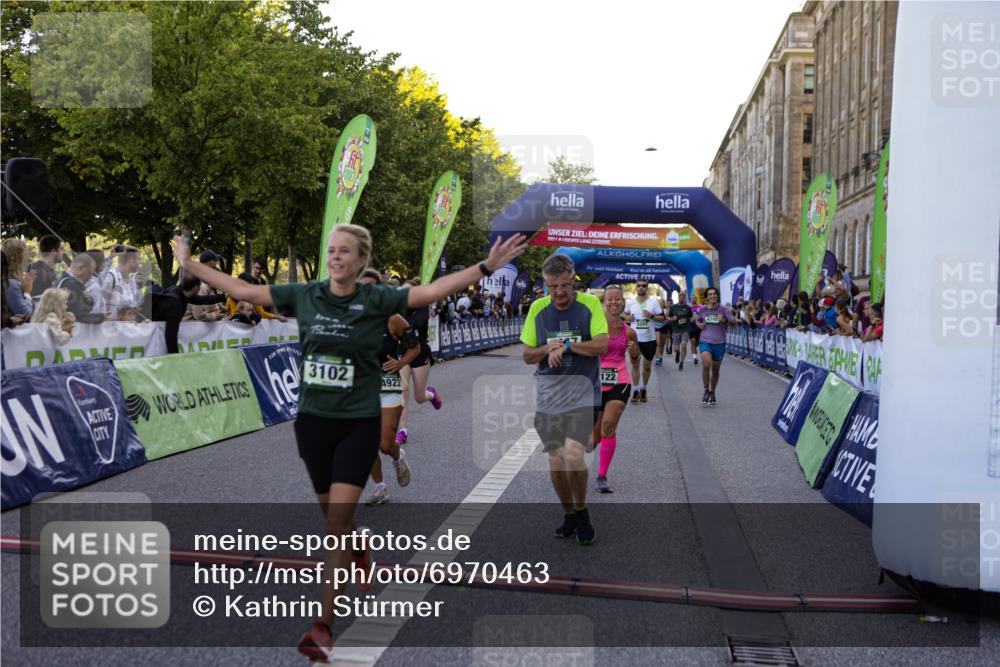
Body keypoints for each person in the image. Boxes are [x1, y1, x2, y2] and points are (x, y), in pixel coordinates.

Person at [171, 225, 526, 661]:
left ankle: (322, 626)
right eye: (332, 251)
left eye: (346, 252)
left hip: (358, 422)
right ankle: (360, 549)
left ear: (361, 261)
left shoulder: (377, 300)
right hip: (315, 424)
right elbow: (244, 288)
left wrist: (486, 267)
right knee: (336, 520)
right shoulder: (307, 295)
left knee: (334, 524)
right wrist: (188, 264)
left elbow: (431, 291)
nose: (337, 258)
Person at [520, 253, 608, 545]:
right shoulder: (537, 309)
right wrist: (548, 348)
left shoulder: (591, 305)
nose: (559, 293)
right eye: (552, 286)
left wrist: (567, 345)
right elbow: (527, 355)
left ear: (574, 282)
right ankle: (569, 514)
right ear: (545, 284)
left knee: (573, 455)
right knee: (556, 460)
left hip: (583, 391)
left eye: (565, 286)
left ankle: (581, 511)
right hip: (550, 395)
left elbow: (601, 345)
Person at [359, 270, 417, 506]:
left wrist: (401, 362)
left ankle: (397, 455)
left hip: (388, 384)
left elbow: (415, 347)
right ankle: (380, 487)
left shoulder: (393, 319)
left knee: (384, 444)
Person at [591, 285, 638, 494]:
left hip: (620, 380)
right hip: (595, 383)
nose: (613, 303)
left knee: (608, 425)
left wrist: (634, 352)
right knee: (594, 439)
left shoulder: (629, 332)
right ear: (603, 303)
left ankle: (602, 475)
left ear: (623, 303)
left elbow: (635, 360)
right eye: (609, 299)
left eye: (617, 299)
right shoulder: (593, 328)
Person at [395, 279, 444, 446]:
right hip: (402, 351)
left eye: (408, 292)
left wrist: (400, 322)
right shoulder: (397, 309)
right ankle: (402, 431)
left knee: (419, 397)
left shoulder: (421, 306)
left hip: (420, 351)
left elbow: (417, 324)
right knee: (403, 389)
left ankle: (430, 395)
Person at [151, 274, 227, 353]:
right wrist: (175, 356)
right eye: (200, 285)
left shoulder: (182, 293)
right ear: (195, 288)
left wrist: (223, 296)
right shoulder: (175, 303)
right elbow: (171, 335)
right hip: (155, 336)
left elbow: (202, 300)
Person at [694, 286, 738, 406]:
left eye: (714, 294)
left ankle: (712, 392)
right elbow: (697, 320)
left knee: (715, 370)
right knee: (706, 364)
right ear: (706, 297)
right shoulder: (703, 310)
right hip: (705, 340)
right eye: (710, 294)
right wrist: (699, 325)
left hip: (719, 342)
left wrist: (724, 320)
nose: (712, 296)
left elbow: (734, 324)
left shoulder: (724, 309)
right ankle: (706, 390)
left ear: (717, 296)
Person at [622, 280, 664, 402]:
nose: (641, 288)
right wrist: (627, 317)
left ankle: (643, 388)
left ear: (647, 288)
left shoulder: (653, 302)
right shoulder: (631, 302)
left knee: (646, 366)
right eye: (639, 286)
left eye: (643, 286)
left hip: (649, 339)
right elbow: (624, 315)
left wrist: (652, 316)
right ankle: (635, 390)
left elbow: (662, 318)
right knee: (635, 365)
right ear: (636, 288)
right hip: (634, 339)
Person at [55, 254, 104, 323]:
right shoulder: (72, 284)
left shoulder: (60, 280)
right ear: (80, 268)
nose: (90, 277)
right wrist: (101, 317)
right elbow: (78, 316)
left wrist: (88, 302)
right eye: (89, 273)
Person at [103, 247, 142, 318]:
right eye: (138, 259)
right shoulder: (111, 278)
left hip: (126, 328)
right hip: (110, 328)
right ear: (131, 260)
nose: (140, 262)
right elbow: (100, 307)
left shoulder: (132, 283)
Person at [2, 238, 35, 319]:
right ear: (18, 260)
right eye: (25, 258)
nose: (26, 262)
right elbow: (27, 315)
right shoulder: (11, 284)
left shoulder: (9, 281)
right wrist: (27, 293)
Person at [666, 291, 694, 370]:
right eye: (680, 295)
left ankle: (681, 363)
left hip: (685, 329)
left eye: (683, 295)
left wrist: (692, 319)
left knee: (684, 344)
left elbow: (691, 316)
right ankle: (677, 353)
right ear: (678, 297)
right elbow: (667, 317)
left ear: (685, 297)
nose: (681, 297)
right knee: (676, 349)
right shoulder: (673, 307)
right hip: (676, 329)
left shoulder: (688, 307)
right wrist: (672, 319)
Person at [653, 292, 672, 366]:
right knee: (658, 343)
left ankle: (660, 356)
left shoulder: (665, 310)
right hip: (656, 327)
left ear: (663, 303)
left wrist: (668, 319)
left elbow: (668, 318)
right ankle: (657, 359)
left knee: (662, 344)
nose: (660, 303)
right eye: (659, 302)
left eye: (662, 302)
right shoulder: (654, 310)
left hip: (664, 327)